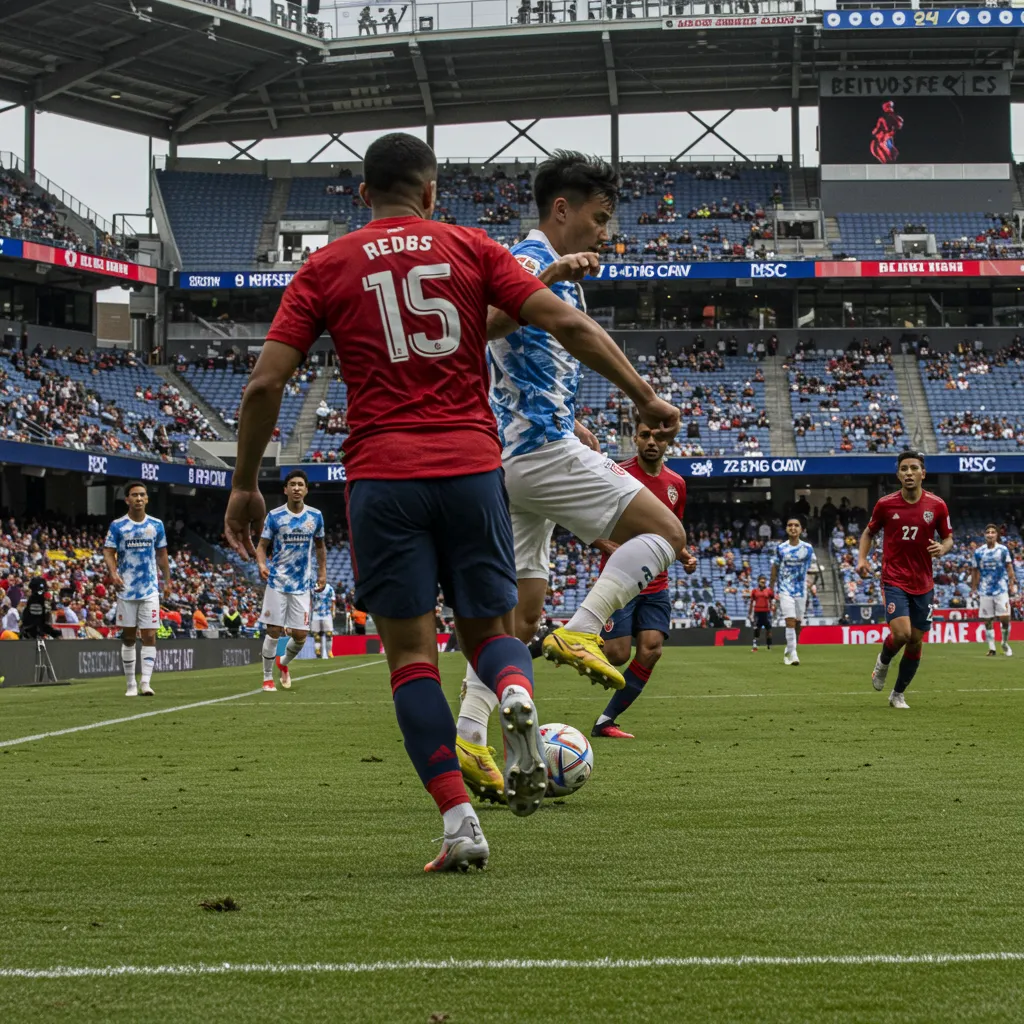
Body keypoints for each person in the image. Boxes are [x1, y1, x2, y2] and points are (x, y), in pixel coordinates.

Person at [223, 132, 660, 872]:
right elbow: (568, 323)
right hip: (471, 468)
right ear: (431, 193)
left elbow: (265, 384)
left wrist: (244, 484)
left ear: (364, 196)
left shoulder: (325, 266)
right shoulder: (470, 247)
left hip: (384, 476)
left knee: (411, 659)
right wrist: (645, 396)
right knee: (491, 631)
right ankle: (516, 691)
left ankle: (460, 824)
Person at [457, 151, 683, 796]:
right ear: (563, 209)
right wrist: (644, 396)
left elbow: (527, 364)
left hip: (519, 455)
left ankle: (472, 737)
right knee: (666, 531)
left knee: (518, 617)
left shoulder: (553, 274)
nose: (605, 234)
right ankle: (582, 632)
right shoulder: (527, 263)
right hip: (538, 454)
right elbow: (475, 331)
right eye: (599, 218)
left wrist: (579, 423)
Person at [590, 415, 694, 740]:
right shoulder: (617, 475)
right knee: (617, 655)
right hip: (621, 580)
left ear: (667, 442)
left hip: (657, 583)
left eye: (658, 438)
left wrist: (684, 554)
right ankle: (574, 637)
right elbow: (588, 519)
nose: (652, 442)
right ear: (635, 439)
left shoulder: (676, 484)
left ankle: (606, 720)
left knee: (651, 650)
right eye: (645, 435)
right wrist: (610, 546)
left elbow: (671, 532)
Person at [858, 450, 954, 709]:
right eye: (904, 469)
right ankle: (883, 662)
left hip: (923, 582)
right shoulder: (885, 505)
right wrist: (862, 560)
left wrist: (943, 548)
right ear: (898, 474)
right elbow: (868, 533)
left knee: (915, 640)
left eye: (914, 468)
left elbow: (948, 538)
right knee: (901, 633)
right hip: (894, 578)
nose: (909, 473)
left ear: (923, 473)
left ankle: (898, 693)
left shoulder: (937, 505)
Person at [256, 469, 326, 691]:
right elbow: (262, 546)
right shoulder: (275, 516)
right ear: (285, 489)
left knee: (300, 636)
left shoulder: (315, 516)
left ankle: (283, 664)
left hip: (302, 585)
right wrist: (261, 564)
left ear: (306, 489)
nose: (296, 488)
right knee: (274, 630)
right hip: (277, 582)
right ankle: (267, 677)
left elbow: (320, 546)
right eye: (292, 484)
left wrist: (322, 573)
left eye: (300, 484)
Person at [103, 481, 170, 697]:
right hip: (126, 589)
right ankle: (131, 684)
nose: (139, 498)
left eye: (142, 495)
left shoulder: (156, 525)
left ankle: (146, 683)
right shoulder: (118, 526)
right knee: (129, 637)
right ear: (127, 499)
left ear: (147, 499)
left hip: (150, 589)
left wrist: (167, 581)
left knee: (150, 635)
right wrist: (113, 573)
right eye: (134, 495)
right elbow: (108, 551)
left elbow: (162, 554)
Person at [769, 517, 816, 666]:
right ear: (786, 529)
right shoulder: (781, 548)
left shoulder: (808, 548)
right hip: (785, 588)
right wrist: (771, 586)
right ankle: (793, 654)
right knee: (789, 619)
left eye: (796, 525)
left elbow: (812, 568)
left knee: (797, 623)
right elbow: (775, 567)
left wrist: (811, 583)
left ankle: (789, 650)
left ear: (801, 529)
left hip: (801, 589)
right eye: (790, 525)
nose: (793, 528)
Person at [971, 523, 1016, 658]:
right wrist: (974, 587)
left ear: (997, 535)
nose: (990, 534)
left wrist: (1012, 583)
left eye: (993, 532)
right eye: (988, 532)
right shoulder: (979, 552)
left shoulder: (1003, 550)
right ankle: (992, 648)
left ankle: (1004, 642)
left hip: (1001, 588)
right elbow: (975, 570)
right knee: (988, 620)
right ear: (985, 535)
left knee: (1005, 619)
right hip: (985, 590)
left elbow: (1009, 567)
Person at [748, 574, 774, 652]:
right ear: (758, 581)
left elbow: (772, 600)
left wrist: (772, 608)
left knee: (768, 629)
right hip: (757, 612)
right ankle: (755, 645)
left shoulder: (769, 591)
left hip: (766, 612)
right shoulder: (754, 591)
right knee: (757, 629)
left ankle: (769, 645)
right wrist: (750, 613)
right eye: (761, 580)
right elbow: (751, 602)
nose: (763, 582)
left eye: (764, 580)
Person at [311, 580, 336, 659]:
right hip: (315, 614)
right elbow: (310, 601)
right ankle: (318, 652)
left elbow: (333, 601)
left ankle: (329, 652)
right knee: (316, 635)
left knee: (329, 634)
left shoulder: (330, 589)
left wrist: (333, 611)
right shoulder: (313, 588)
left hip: (327, 614)